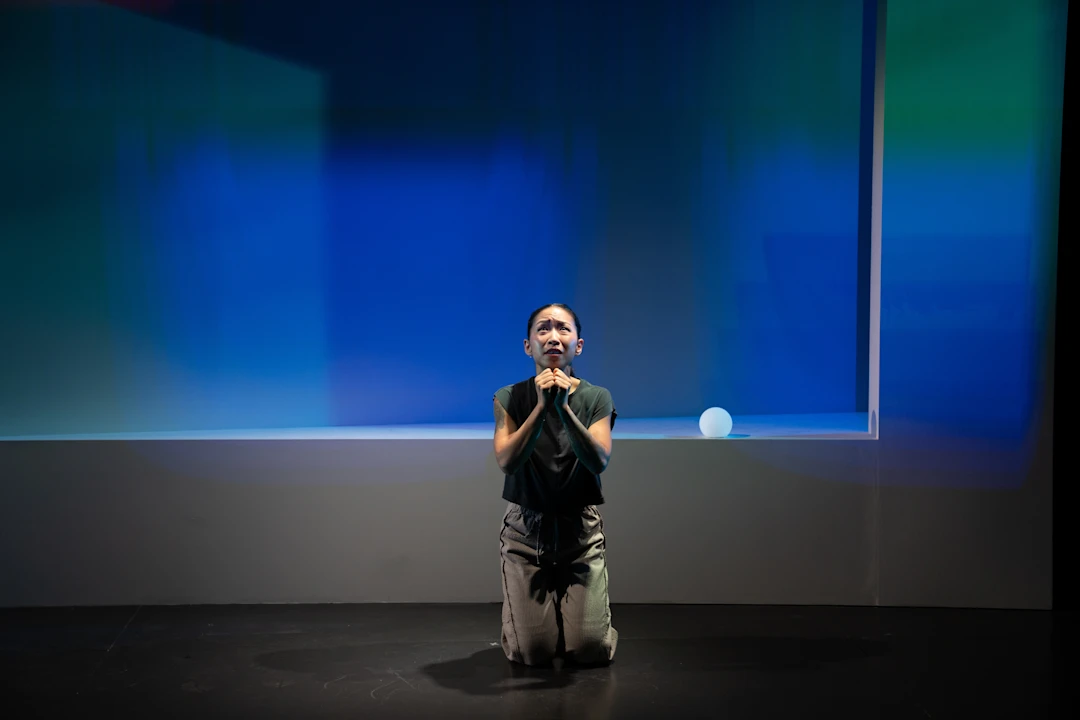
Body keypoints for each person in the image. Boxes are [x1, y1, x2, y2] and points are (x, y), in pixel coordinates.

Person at [492, 303, 618, 667]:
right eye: (543, 329)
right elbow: (507, 460)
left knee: (590, 650)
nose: (553, 337)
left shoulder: (597, 398)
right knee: (532, 653)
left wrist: (562, 408)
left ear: (578, 345)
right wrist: (541, 407)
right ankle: (531, 625)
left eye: (563, 329)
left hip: (579, 530)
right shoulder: (509, 397)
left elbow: (598, 460)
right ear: (528, 345)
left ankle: (578, 623)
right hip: (524, 531)